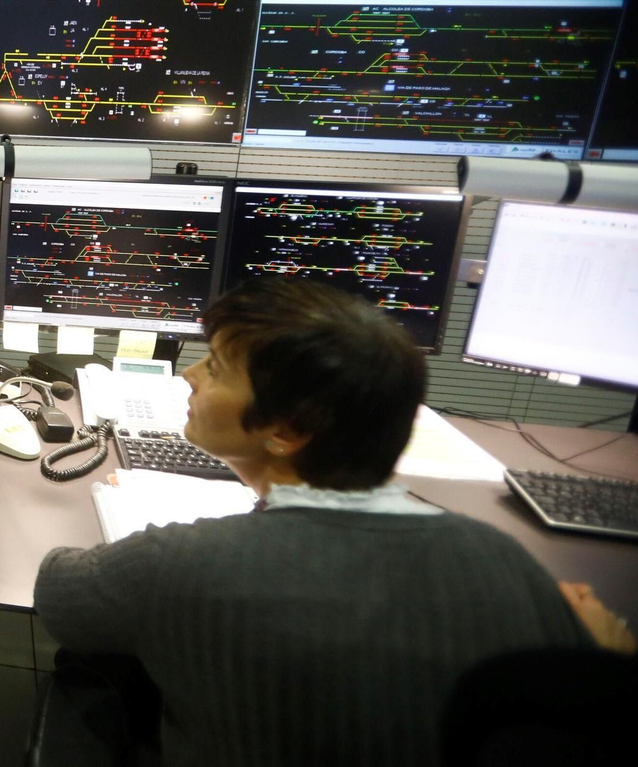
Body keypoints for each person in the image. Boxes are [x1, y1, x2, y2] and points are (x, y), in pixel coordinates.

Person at [33, 277, 627, 767]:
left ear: (287, 431)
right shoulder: (503, 559)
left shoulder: (179, 562)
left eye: (215, 367)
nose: (188, 374)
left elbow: (59, 594)